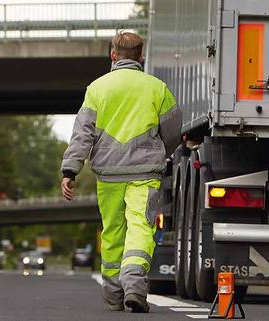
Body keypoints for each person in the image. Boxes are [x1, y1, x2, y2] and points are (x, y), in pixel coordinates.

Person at [60, 32, 180, 313]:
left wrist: (70, 170)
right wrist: (159, 151)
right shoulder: (157, 88)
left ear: (113, 55)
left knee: (113, 232)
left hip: (109, 174)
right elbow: (173, 131)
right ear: (141, 57)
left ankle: (113, 294)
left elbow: (82, 135)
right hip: (145, 173)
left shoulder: (97, 89)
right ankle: (135, 283)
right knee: (141, 225)